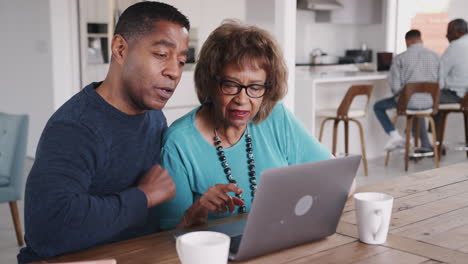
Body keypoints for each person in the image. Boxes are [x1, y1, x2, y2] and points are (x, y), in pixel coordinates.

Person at [18, 2, 190, 263]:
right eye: (161, 54)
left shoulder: (154, 117)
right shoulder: (74, 128)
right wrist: (144, 196)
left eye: (181, 60)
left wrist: (193, 214)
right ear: (120, 49)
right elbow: (48, 229)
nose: (174, 72)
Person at [157, 21, 348, 230]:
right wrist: (195, 212)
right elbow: (167, 239)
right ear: (210, 83)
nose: (242, 99)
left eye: (255, 87)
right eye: (230, 85)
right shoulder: (179, 142)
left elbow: (342, 181)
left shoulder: (277, 118)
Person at [374, 29, 440, 152]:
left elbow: (395, 86)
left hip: (408, 104)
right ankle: (417, 140)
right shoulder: (436, 56)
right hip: (430, 103)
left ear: (408, 41)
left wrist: (400, 95)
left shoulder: (400, 58)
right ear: (420, 39)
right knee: (417, 110)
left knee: (378, 106)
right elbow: (441, 82)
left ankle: (394, 135)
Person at [434, 18, 468, 142]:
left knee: (427, 98)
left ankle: (433, 143)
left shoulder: (455, 46)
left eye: (449, 32)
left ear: (459, 32)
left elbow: (439, 73)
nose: (446, 35)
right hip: (465, 96)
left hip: (457, 96)